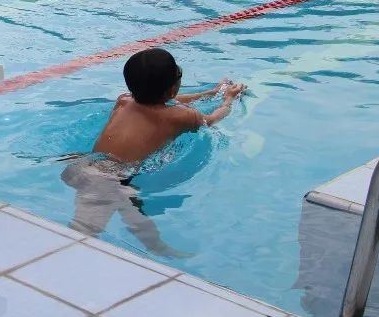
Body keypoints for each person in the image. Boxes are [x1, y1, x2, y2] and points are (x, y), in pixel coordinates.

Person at [62, 47, 246, 256]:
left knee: (125, 211)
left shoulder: (124, 100)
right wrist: (229, 99)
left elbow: (173, 101)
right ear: (172, 88)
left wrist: (211, 93)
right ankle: (156, 247)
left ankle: (154, 246)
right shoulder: (182, 118)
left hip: (84, 164)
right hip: (110, 178)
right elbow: (212, 119)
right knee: (86, 235)